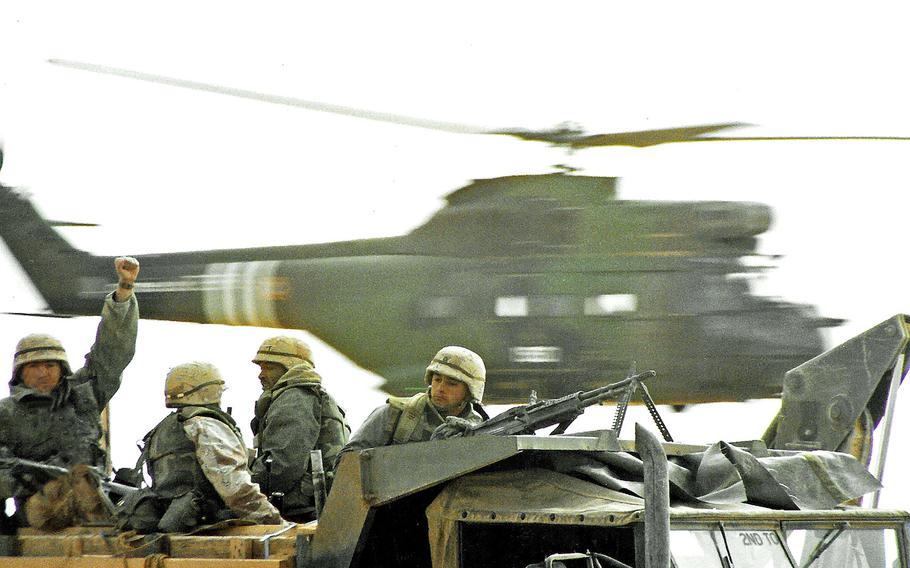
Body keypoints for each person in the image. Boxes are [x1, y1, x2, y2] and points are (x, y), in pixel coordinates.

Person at [0, 256, 140, 529]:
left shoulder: (83, 395)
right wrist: (34, 477)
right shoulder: (7, 413)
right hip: (41, 509)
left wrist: (123, 293)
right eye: (35, 366)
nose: (43, 372)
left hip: (96, 500)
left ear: (62, 368)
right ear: (20, 373)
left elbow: (112, 353)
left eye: (50, 365)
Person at [116, 362, 281, 533]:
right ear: (210, 391)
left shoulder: (162, 429)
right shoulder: (204, 424)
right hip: (210, 528)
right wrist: (272, 521)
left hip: (177, 526)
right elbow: (234, 487)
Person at [249, 336, 350, 523]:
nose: (261, 375)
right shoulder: (309, 395)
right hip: (316, 507)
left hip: (298, 511)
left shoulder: (294, 398)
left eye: (269, 367)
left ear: (290, 367)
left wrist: (242, 485)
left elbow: (283, 466)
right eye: (261, 367)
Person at [337, 346, 487, 464]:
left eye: (452, 384)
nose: (440, 388)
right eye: (437, 379)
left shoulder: (480, 430)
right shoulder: (394, 414)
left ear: (469, 392)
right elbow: (347, 462)